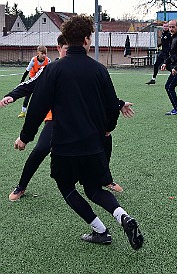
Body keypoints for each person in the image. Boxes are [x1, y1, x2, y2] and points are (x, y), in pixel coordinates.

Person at [13, 15, 144, 248]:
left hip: (65, 147)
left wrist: (25, 137)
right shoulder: (99, 70)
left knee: (66, 187)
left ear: (67, 40)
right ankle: (123, 216)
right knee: (94, 188)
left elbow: (37, 108)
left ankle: (100, 231)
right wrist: (107, 129)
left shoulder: (53, 70)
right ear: (86, 40)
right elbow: (112, 104)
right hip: (93, 145)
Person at [1, 35, 126, 201]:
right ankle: (21, 186)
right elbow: (30, 84)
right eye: (65, 48)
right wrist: (12, 95)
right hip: (57, 118)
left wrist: (120, 103)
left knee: (106, 140)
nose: (68, 52)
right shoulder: (51, 69)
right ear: (59, 48)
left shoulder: (85, 68)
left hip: (83, 117)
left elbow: (97, 94)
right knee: (41, 149)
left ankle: (106, 179)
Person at [18, 45, 51, 118]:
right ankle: (23, 111)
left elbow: (50, 71)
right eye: (42, 53)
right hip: (32, 79)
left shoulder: (48, 61)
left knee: (43, 95)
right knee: (28, 95)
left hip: (42, 80)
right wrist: (22, 81)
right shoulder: (33, 60)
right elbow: (27, 71)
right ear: (38, 53)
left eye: (45, 53)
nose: (44, 55)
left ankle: (45, 112)